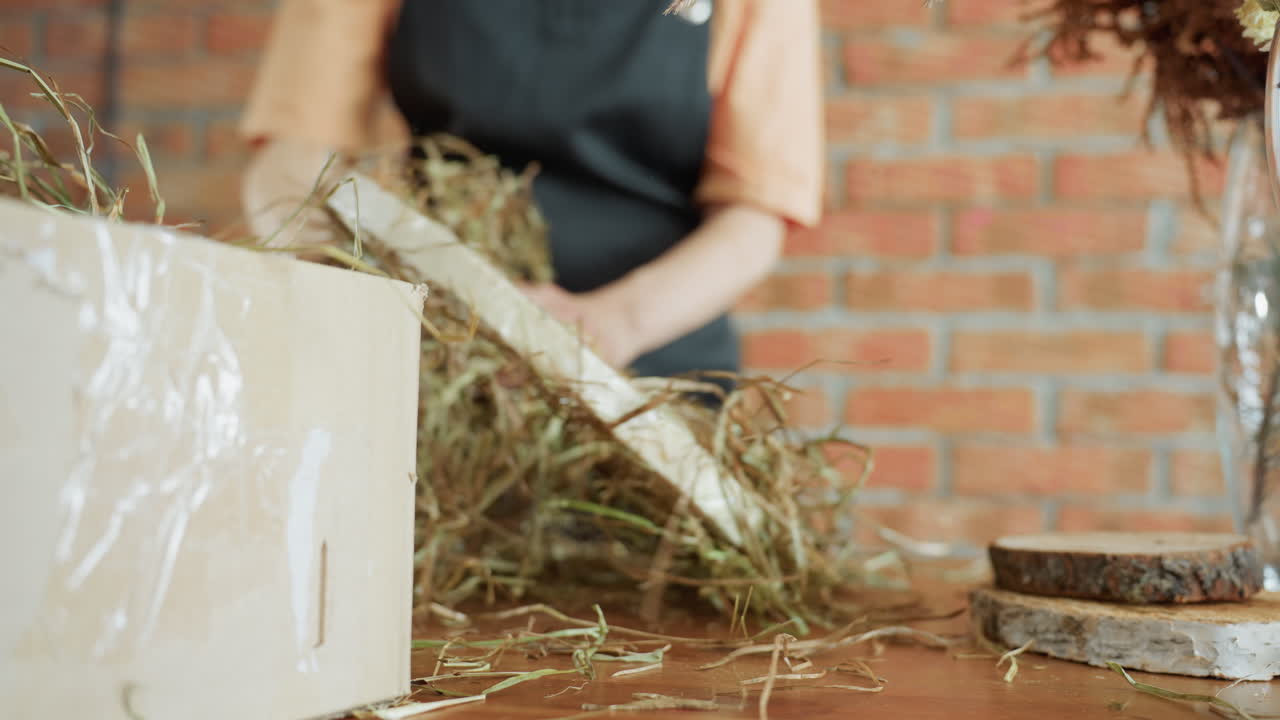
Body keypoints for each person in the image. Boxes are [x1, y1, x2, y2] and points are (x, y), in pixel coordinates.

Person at [238, 0, 823, 396]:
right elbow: (290, 163)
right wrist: (369, 296)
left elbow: (755, 214)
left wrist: (608, 326)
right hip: (435, 372)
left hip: (651, 384)